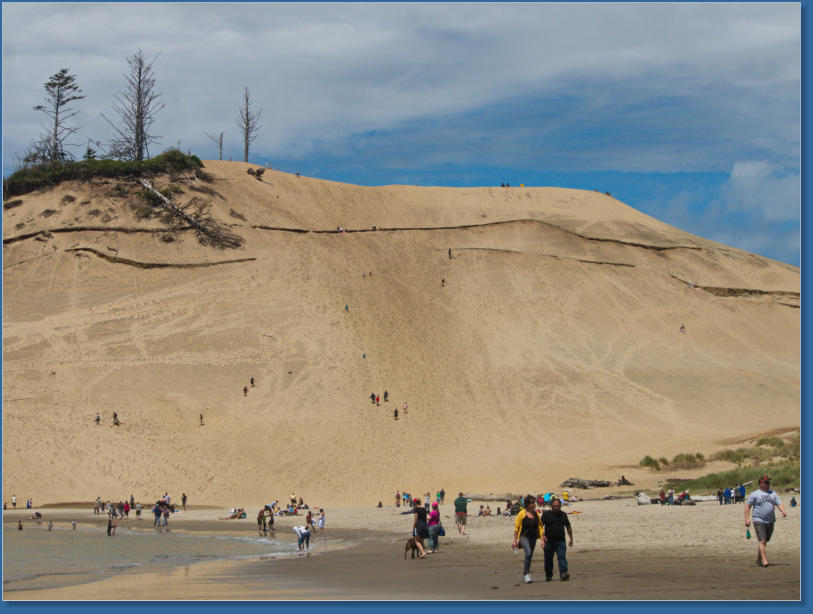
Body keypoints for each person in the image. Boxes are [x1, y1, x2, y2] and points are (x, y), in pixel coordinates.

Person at [745, 475, 786, 567]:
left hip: (770, 521)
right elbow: (748, 507)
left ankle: (759, 559)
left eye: (768, 482)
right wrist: (747, 519)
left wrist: (782, 510)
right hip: (758, 520)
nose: (768, 484)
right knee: (762, 540)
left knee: (764, 541)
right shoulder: (755, 494)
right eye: (766, 482)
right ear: (761, 484)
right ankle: (764, 560)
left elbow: (779, 503)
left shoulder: (773, 493)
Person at [512, 494, 545, 584]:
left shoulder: (536, 514)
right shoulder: (521, 514)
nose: (533, 504)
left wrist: (542, 538)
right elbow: (516, 528)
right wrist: (515, 540)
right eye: (531, 503)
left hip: (533, 537)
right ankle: (526, 574)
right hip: (524, 537)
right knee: (528, 552)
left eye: (534, 502)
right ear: (527, 504)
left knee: (529, 556)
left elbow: (540, 527)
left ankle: (525, 574)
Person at [541, 498, 573, 581]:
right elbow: (540, 526)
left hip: (560, 541)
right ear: (551, 506)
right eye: (555, 506)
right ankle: (548, 575)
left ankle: (563, 573)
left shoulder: (563, 515)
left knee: (562, 557)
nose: (556, 508)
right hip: (548, 541)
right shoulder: (546, 515)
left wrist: (571, 538)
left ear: (560, 506)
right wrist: (542, 536)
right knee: (548, 559)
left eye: (558, 506)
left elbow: (568, 526)